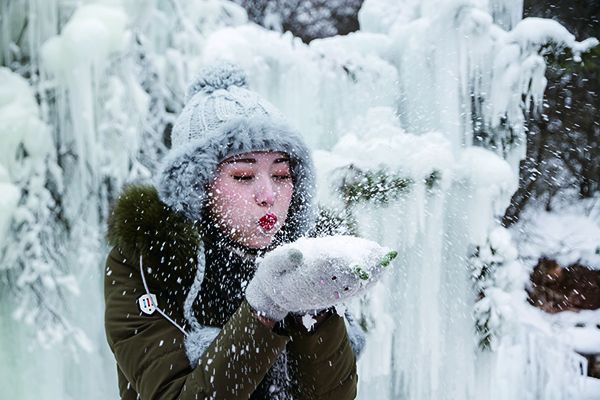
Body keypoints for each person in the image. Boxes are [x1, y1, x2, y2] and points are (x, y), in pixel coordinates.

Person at [104, 62, 395, 399]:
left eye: (282, 175)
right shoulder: (145, 260)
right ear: (198, 186)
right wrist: (264, 309)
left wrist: (315, 308)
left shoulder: (303, 254)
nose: (268, 196)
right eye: (243, 176)